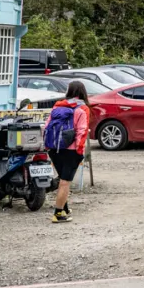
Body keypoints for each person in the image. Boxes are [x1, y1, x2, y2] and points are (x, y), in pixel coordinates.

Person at [44, 80, 91, 223]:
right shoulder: (82, 109)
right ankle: (58, 213)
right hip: (71, 150)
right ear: (83, 92)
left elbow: (47, 126)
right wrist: (79, 151)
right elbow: (82, 132)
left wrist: (47, 146)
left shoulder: (57, 106)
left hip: (54, 148)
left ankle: (64, 208)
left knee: (62, 180)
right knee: (65, 181)